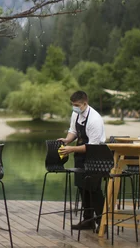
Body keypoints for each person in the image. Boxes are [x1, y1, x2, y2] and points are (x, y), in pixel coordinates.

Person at [58, 90, 106, 230]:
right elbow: (73, 130)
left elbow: (92, 146)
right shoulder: (76, 114)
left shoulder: (94, 120)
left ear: (85, 103)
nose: (75, 107)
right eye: (73, 105)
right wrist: (67, 140)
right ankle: (88, 220)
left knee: (94, 190)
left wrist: (71, 149)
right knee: (82, 188)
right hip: (80, 156)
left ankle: (102, 222)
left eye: (77, 105)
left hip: (96, 157)